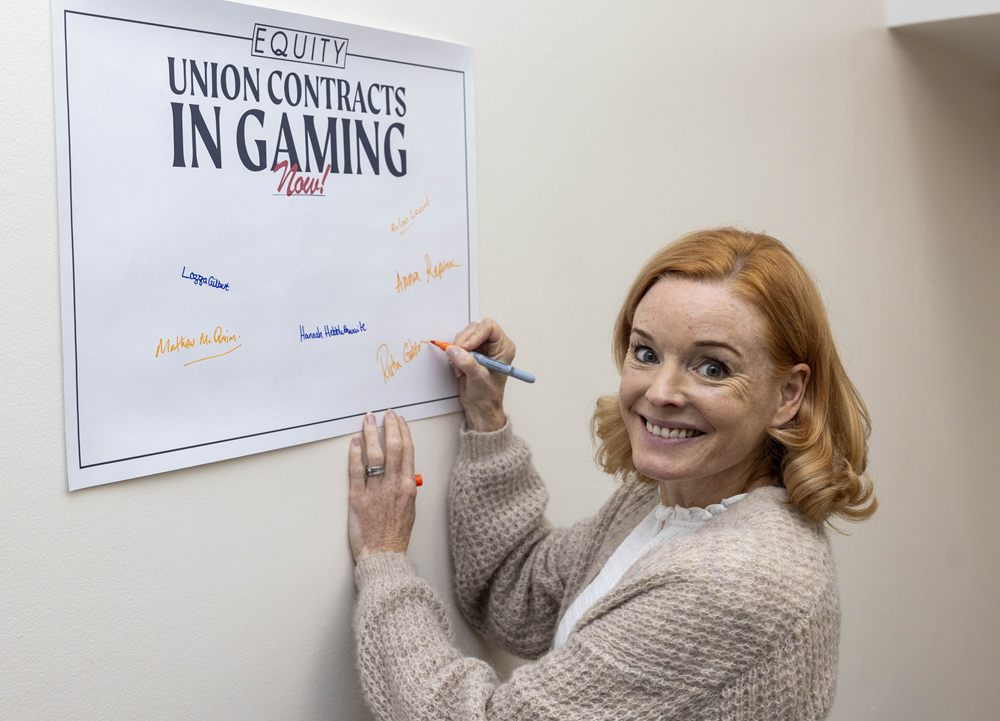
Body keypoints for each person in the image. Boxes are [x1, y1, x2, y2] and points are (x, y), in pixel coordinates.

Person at [346, 227, 877, 720]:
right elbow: (517, 595)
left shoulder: (736, 579)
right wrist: (488, 421)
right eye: (646, 352)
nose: (661, 392)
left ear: (788, 394)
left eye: (712, 367)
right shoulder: (665, 502)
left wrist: (384, 560)